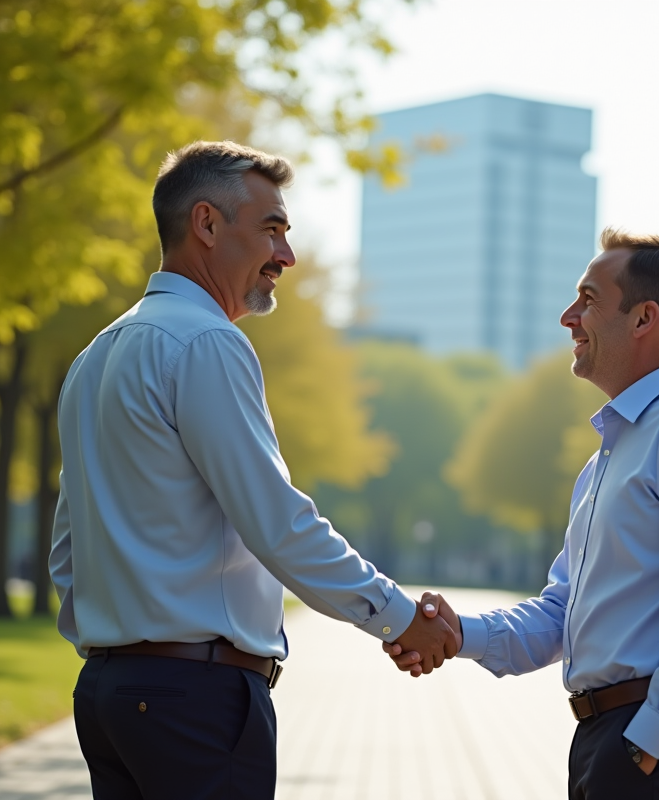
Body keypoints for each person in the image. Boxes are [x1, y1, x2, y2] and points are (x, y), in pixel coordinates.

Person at [49, 140, 458, 800]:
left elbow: (68, 550)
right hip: (194, 699)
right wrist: (397, 616)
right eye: (272, 230)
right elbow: (277, 523)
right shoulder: (208, 342)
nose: (286, 256)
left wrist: (115, 651)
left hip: (109, 696)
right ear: (207, 224)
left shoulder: (94, 358)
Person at [387, 230, 659, 799]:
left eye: (589, 299)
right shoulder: (608, 457)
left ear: (644, 318)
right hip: (608, 740)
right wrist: (461, 634)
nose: (568, 317)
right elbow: (563, 610)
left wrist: (647, 742)